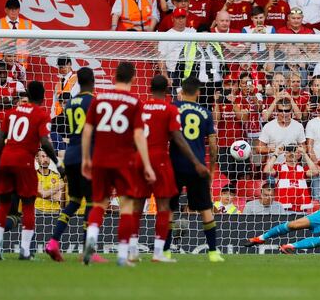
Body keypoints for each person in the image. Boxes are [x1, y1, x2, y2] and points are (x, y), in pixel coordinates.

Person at [81, 62, 154, 267]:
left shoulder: (100, 98)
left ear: (114, 76)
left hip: (100, 159)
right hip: (123, 161)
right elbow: (139, 135)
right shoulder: (134, 101)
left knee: (99, 203)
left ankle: (92, 237)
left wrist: (86, 158)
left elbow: (87, 131)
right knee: (127, 206)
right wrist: (147, 164)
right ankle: (122, 256)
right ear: (133, 77)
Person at [137, 75, 210, 263]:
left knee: (134, 207)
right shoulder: (171, 109)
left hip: (141, 160)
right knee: (165, 207)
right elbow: (177, 136)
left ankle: (128, 251)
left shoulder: (139, 107)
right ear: (168, 89)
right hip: (162, 162)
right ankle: (160, 253)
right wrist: (197, 162)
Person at [0, 81, 60, 261]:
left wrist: (1, 158)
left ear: (27, 94)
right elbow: (45, 142)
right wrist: (56, 162)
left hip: (6, 160)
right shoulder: (41, 115)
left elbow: (0, 139)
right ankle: (25, 250)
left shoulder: (11, 113)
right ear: (43, 97)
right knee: (28, 204)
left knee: (4, 203)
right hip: (25, 163)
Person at [45, 67, 100, 263]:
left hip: (71, 155)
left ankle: (53, 241)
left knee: (74, 201)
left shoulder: (69, 105)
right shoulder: (94, 102)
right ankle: (88, 251)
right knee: (92, 202)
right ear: (93, 82)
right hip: (88, 156)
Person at [167, 76, 223, 262]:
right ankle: (213, 253)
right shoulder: (205, 113)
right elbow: (213, 145)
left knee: (168, 210)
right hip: (197, 167)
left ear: (182, 91)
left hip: (175, 165)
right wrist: (212, 170)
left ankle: (165, 251)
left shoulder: (173, 108)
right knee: (205, 210)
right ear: (198, 92)